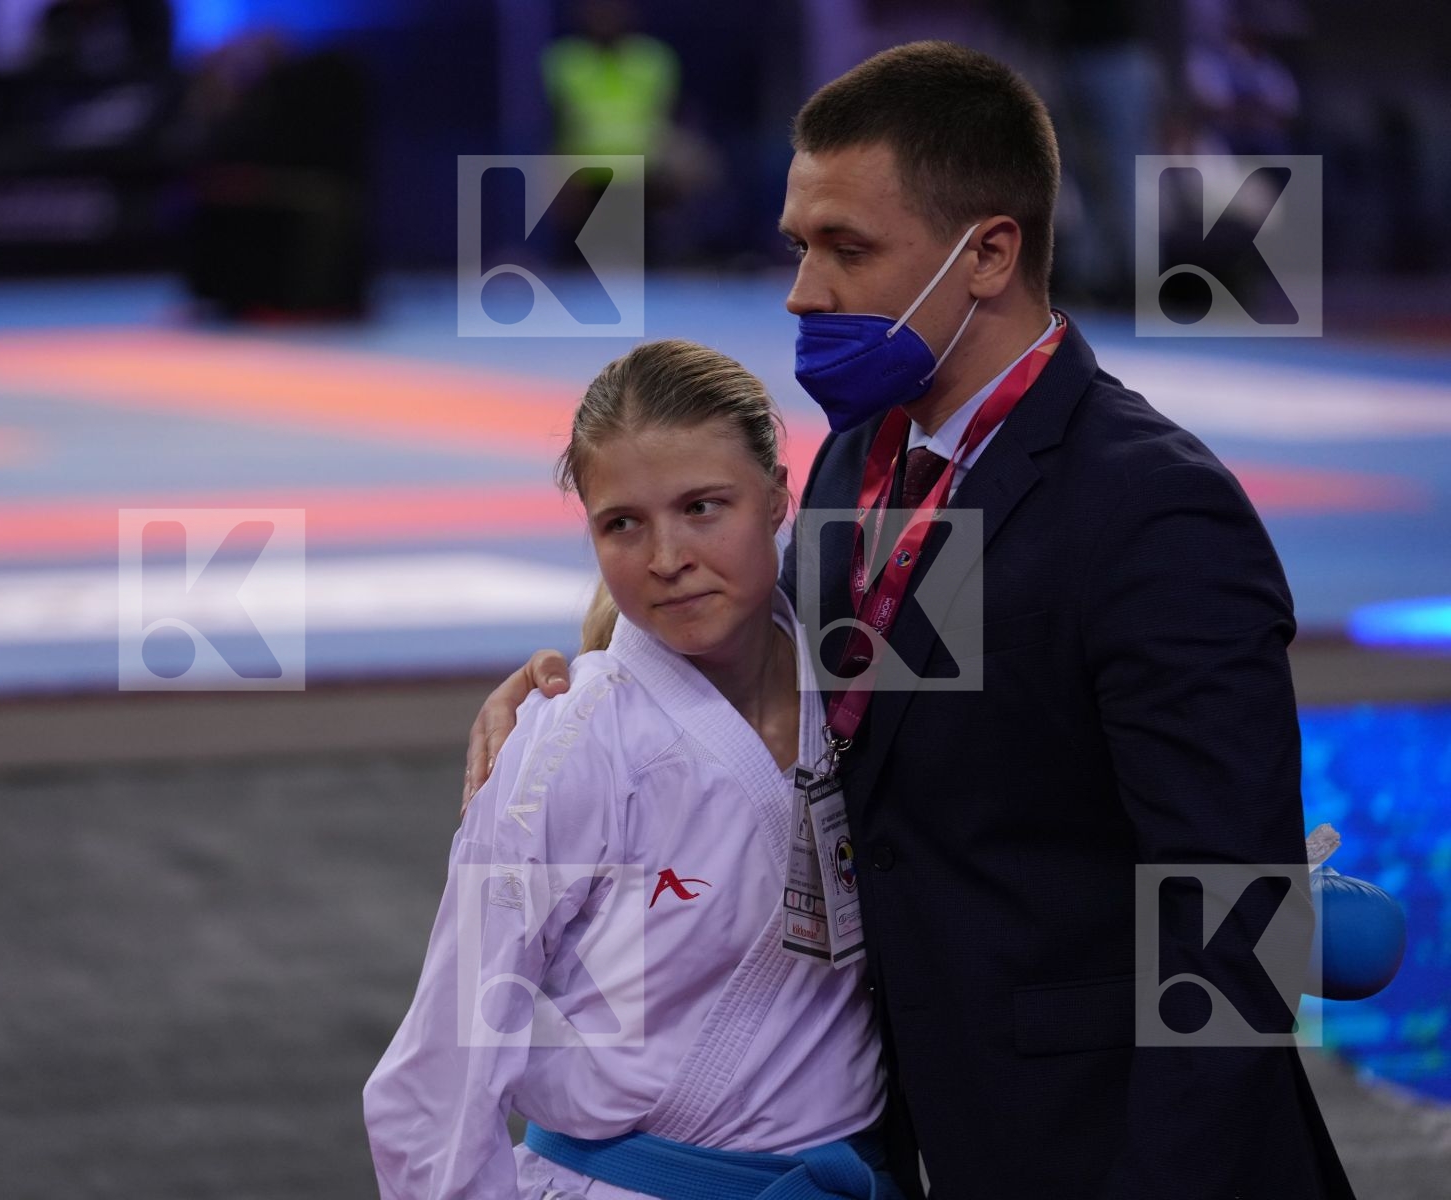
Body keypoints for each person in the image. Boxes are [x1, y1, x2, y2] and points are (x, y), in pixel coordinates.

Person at [462, 41, 1356, 1200]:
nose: (802, 289)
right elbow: (780, 673)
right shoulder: (862, 462)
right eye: (799, 244)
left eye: (848, 248)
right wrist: (567, 683)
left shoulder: (1149, 510)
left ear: (987, 254)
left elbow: (1236, 910)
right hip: (930, 1135)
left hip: (1124, 1153)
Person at [365, 340, 906, 1200]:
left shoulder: (860, 676)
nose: (665, 557)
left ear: (777, 498)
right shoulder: (570, 743)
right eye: (623, 523)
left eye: (702, 507)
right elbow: (445, 1062)